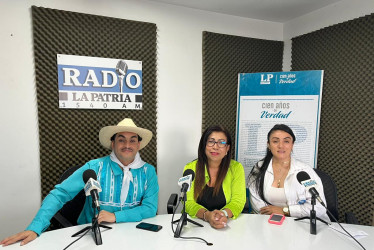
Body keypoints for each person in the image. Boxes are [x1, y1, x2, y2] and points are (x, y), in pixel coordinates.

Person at [1, 118, 159, 246]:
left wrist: (116, 216)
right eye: (121, 140)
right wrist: (34, 228)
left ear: (138, 145)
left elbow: (150, 208)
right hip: (94, 236)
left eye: (132, 140)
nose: (127, 145)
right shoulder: (95, 167)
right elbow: (59, 194)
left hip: (133, 235)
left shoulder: (149, 171)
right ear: (113, 143)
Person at [247, 124, 329, 221]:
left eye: (286, 141)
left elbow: (319, 208)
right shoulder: (259, 168)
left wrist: (285, 210)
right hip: (268, 222)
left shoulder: (305, 171)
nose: (281, 145)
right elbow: (257, 204)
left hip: (304, 224)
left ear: (292, 145)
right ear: (268, 145)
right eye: (275, 141)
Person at [183, 125, 246, 229]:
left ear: (227, 148)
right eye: (211, 141)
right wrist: (207, 215)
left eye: (221, 142)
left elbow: (238, 200)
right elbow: (187, 202)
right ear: (204, 145)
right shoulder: (190, 168)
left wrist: (222, 215)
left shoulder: (236, 168)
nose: (215, 147)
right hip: (195, 225)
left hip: (225, 224)